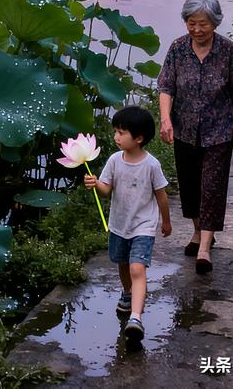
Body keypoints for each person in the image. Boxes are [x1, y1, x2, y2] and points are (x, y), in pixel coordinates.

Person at [157, 0, 233, 274]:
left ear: (215, 23)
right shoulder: (178, 49)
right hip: (185, 130)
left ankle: (205, 247)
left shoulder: (228, 50)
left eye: (203, 24)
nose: (197, 29)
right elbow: (166, 87)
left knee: (213, 187)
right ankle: (198, 230)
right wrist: (165, 120)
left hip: (218, 131)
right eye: (191, 23)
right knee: (190, 186)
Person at [84, 105, 171, 343]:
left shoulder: (151, 164)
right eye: (115, 132)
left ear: (139, 138)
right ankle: (127, 292)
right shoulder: (114, 161)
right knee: (122, 265)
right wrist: (95, 183)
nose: (116, 137)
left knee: (137, 268)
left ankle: (136, 317)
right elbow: (105, 190)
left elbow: (161, 195)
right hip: (119, 224)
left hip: (143, 226)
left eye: (121, 133)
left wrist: (166, 221)